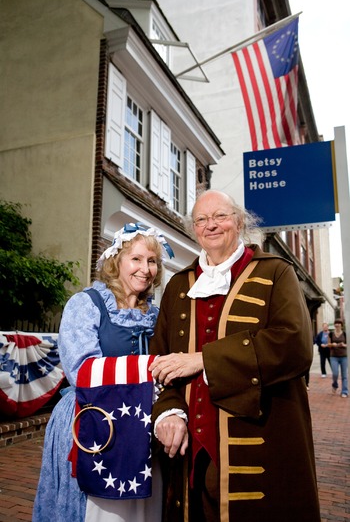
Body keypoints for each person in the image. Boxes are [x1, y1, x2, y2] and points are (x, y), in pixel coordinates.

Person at [149, 190, 320, 522]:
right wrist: (169, 410)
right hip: (189, 458)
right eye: (201, 219)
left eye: (220, 216)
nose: (210, 225)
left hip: (261, 444)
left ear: (240, 222)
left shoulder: (275, 272)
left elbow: (294, 344)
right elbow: (161, 359)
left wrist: (203, 359)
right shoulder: (178, 286)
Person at [33, 222, 174, 522]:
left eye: (152, 261)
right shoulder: (86, 304)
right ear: (116, 261)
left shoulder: (158, 315)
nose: (145, 269)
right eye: (136, 259)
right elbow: (81, 369)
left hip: (143, 423)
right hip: (93, 418)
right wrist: (149, 372)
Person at [329, 319, 348, 397]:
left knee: (344, 375)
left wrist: (344, 345)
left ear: (341, 325)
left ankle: (344, 391)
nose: (337, 324)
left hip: (344, 357)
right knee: (335, 373)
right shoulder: (331, 334)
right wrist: (332, 344)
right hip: (334, 356)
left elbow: (348, 344)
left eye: (339, 323)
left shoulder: (345, 334)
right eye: (336, 323)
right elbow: (328, 344)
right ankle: (335, 384)